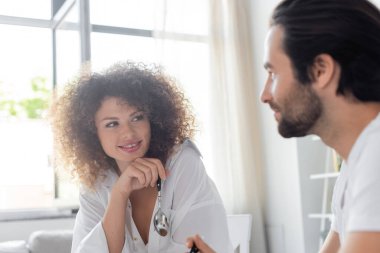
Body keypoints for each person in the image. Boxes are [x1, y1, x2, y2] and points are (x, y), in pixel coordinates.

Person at [187, 0, 380, 252]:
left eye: (273, 74)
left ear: (320, 71)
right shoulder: (355, 165)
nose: (265, 95)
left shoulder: (375, 156)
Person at [50, 61, 232, 253]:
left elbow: (196, 248)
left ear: (152, 119)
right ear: (92, 133)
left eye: (137, 117)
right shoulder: (95, 184)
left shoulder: (182, 163)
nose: (128, 133)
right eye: (112, 124)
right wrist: (119, 194)